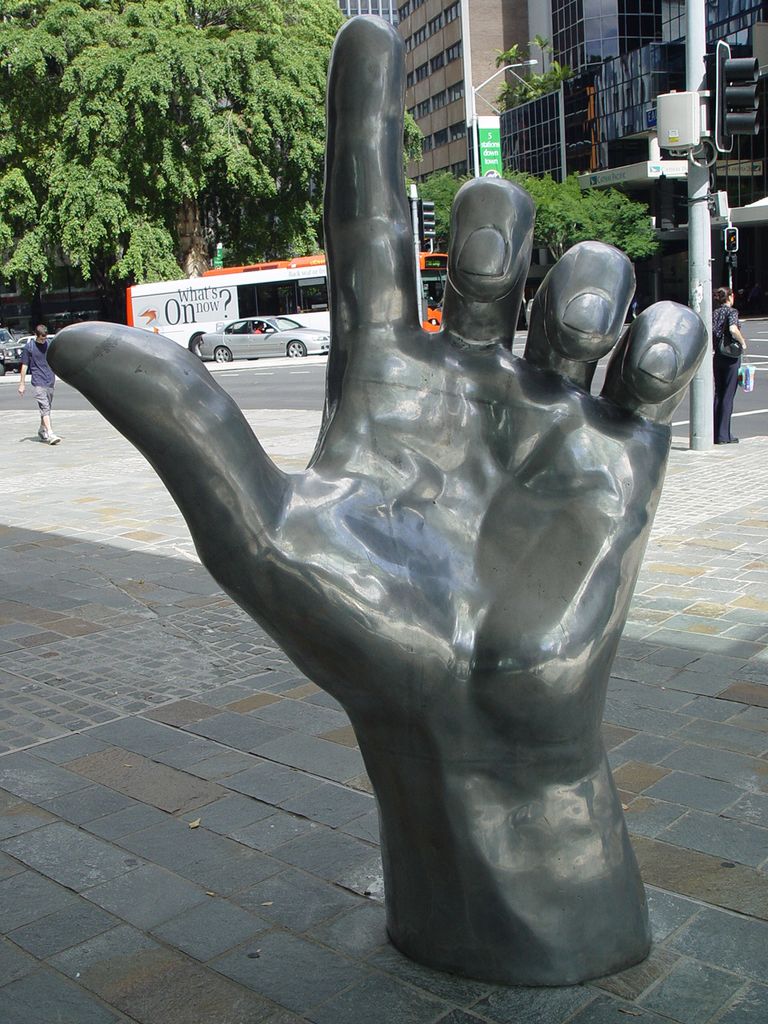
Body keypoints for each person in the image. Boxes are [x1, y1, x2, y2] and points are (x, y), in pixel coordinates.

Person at [712, 286, 747, 444]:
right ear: (731, 297)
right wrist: (743, 342)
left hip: (718, 356)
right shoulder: (732, 312)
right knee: (728, 395)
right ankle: (724, 435)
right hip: (731, 356)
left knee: (718, 394)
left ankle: (715, 432)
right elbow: (733, 329)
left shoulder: (714, 312)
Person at [18, 324, 61, 445]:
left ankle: (42, 430)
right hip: (38, 381)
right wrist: (22, 384)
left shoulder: (49, 344)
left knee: (47, 408)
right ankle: (50, 434)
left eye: (45, 338)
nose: (43, 340)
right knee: (45, 407)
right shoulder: (29, 347)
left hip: (50, 380)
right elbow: (24, 365)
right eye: (41, 338)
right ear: (35, 335)